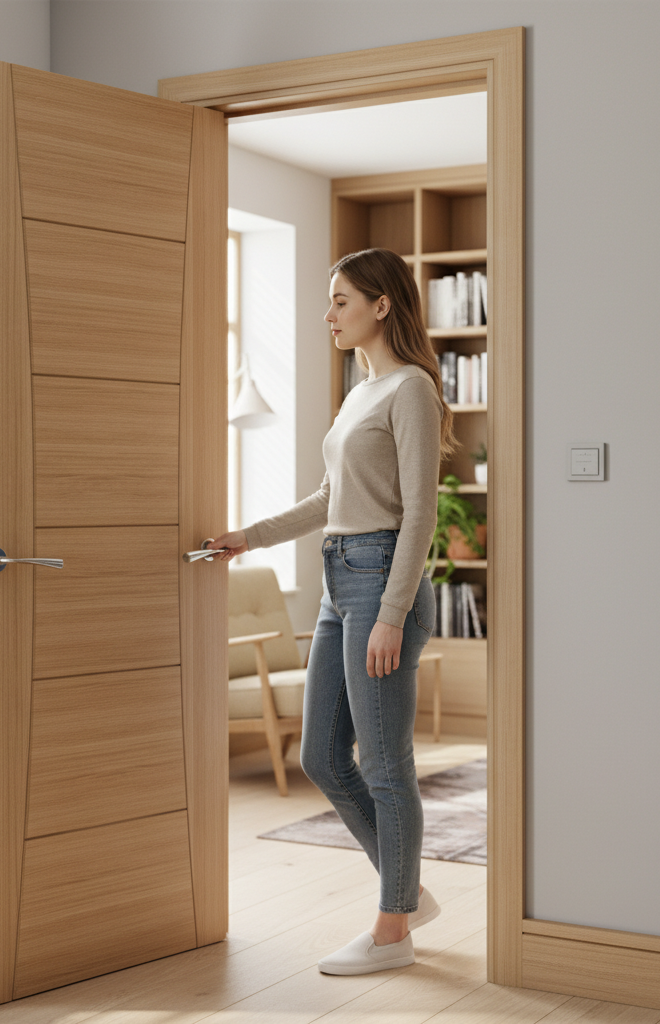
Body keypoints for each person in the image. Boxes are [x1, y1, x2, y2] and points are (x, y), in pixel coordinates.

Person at [210, 247, 456, 976]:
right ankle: (406, 889)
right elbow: (328, 502)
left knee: (384, 764)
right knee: (321, 754)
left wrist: (391, 611)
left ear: (382, 305)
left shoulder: (410, 389)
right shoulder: (359, 390)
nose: (329, 315)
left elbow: (420, 516)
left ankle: (393, 930)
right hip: (334, 580)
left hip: (381, 582)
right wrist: (245, 538)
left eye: (342, 301)